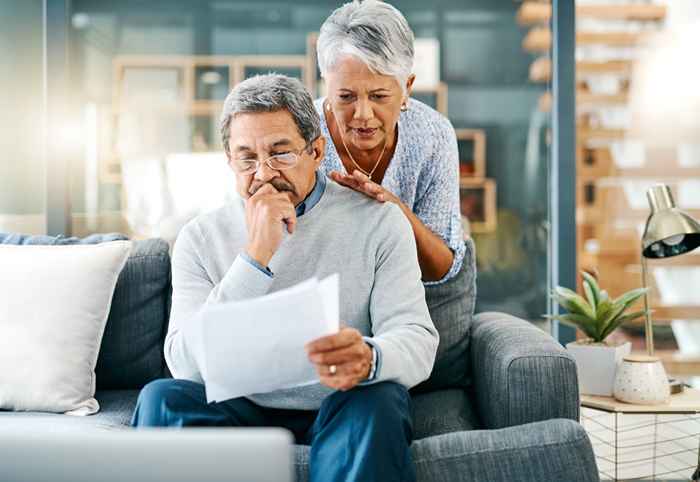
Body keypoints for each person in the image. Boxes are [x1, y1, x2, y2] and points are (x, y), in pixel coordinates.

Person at [130, 74, 438, 482]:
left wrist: (369, 357)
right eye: (246, 158)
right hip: (239, 405)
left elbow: (417, 338)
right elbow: (184, 364)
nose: (263, 173)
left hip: (342, 402)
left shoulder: (378, 222)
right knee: (162, 398)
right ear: (229, 161)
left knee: (381, 400)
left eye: (280, 153)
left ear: (316, 151)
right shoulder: (200, 237)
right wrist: (255, 257)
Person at [315, 0, 466, 284]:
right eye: (345, 96)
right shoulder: (301, 130)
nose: (362, 114)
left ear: (406, 87)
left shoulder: (433, 135)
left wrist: (393, 210)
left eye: (378, 96)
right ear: (327, 85)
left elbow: (442, 269)